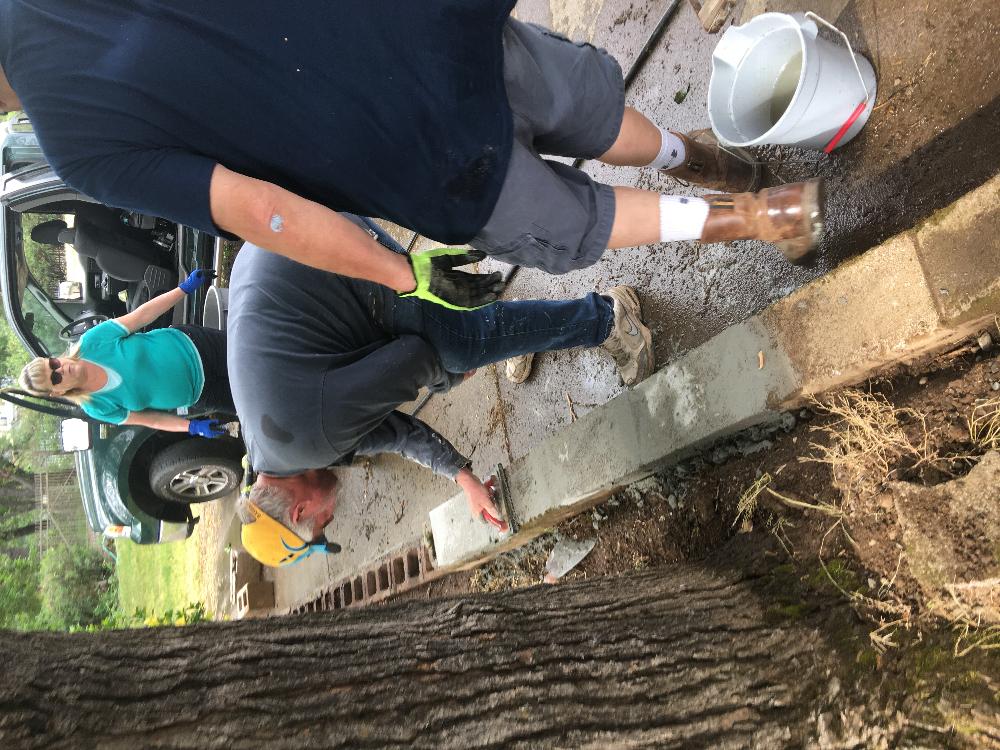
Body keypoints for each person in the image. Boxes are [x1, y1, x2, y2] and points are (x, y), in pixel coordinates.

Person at [0, 2, 823, 314]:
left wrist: (403, 275)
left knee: (585, 219)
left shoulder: (77, 142)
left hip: (413, 157)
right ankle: (712, 160)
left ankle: (768, 214)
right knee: (585, 108)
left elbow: (262, 211)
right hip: (416, 24)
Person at [229, 217, 655, 567]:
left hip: (331, 253)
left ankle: (609, 319)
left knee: (458, 348)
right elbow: (391, 432)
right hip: (290, 238)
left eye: (320, 526)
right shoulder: (271, 451)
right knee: (458, 348)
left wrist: (448, 377)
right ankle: (513, 337)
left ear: (299, 512)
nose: (331, 519)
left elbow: (414, 356)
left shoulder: (312, 434)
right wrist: (461, 475)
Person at [18, 269, 232, 437]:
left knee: (262, 358)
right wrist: (192, 427)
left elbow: (142, 315)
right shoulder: (97, 407)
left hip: (199, 346)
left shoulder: (91, 342)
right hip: (204, 393)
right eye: (55, 378)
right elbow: (152, 420)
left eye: (53, 363)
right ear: (57, 392)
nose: (60, 369)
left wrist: (184, 289)